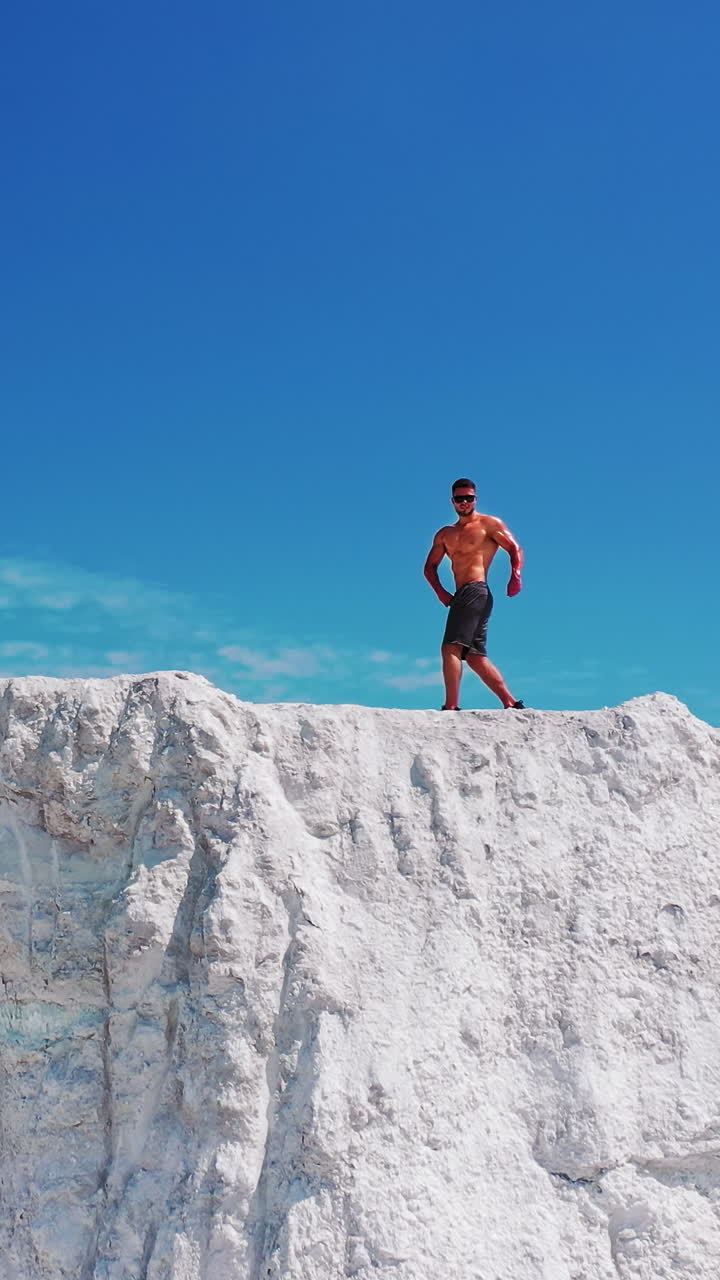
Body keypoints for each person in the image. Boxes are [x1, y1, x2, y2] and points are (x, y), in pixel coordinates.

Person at [423, 478, 525, 710]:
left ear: (475, 499)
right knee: (475, 656)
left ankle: (450, 706)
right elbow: (429, 567)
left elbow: (514, 548)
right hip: (462, 595)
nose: (464, 502)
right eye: (460, 498)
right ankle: (510, 702)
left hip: (476, 589)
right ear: (452, 501)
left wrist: (515, 575)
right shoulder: (445, 534)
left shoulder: (488, 524)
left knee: (450, 647)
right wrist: (440, 592)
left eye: (469, 498)